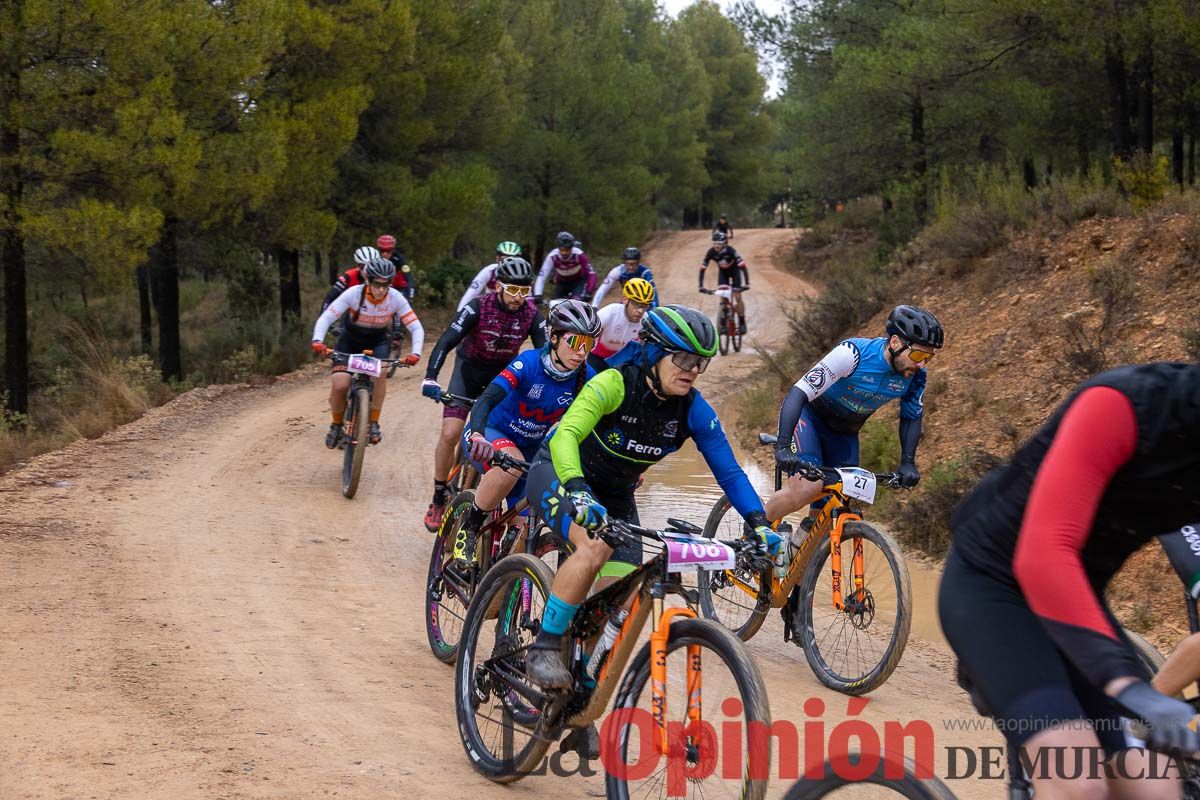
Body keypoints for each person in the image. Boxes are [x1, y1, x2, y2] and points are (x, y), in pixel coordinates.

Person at [939, 362, 1200, 798]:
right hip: (995, 587)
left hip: (1076, 601)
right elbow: (1042, 555)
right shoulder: (1126, 403)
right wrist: (1128, 686)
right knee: (1079, 780)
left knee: (1156, 787)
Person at [523, 305, 782, 689]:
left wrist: (759, 523)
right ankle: (543, 646)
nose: (692, 370)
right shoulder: (612, 384)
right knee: (593, 549)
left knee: (619, 602)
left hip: (616, 496)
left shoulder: (693, 410)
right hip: (561, 475)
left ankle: (578, 694)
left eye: (699, 363)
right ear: (652, 352)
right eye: (682, 358)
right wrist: (577, 490)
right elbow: (565, 437)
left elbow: (729, 472)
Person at [452, 300, 602, 569]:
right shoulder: (529, 363)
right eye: (575, 341)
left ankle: (500, 575)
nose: (582, 352)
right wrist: (477, 435)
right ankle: (470, 529)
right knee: (510, 463)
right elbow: (486, 400)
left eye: (589, 344)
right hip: (491, 434)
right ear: (554, 337)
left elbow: (597, 428)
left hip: (532, 449)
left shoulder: (586, 377)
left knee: (526, 522)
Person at [765, 305, 942, 523]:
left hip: (845, 434)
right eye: (918, 354)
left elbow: (911, 417)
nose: (922, 363)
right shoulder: (853, 354)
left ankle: (798, 548)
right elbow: (799, 392)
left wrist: (908, 462)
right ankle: (755, 532)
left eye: (929, 357)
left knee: (836, 504)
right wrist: (783, 446)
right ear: (895, 343)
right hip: (809, 418)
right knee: (806, 488)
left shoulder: (915, 377)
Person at [421, 256, 546, 531]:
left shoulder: (531, 315)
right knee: (451, 432)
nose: (518, 297)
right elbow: (446, 340)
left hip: (500, 380)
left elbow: (545, 354)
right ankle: (439, 496)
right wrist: (430, 377)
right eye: (513, 290)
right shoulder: (478, 306)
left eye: (524, 291)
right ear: (499, 286)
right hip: (467, 373)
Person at [311, 257, 424, 447]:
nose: (381, 289)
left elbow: (416, 327)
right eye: (377, 284)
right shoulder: (353, 294)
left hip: (378, 341)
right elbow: (326, 317)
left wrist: (416, 353)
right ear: (368, 280)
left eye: (386, 284)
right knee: (340, 384)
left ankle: (373, 422)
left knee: (380, 374)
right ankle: (336, 424)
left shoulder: (396, 297)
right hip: (349, 341)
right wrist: (318, 341)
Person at [587, 277, 653, 372]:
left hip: (624, 363)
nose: (640, 311)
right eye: (636, 304)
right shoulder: (610, 312)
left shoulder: (646, 322)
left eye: (645, 306)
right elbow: (586, 331)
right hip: (598, 358)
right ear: (625, 300)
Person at [698, 231, 749, 334]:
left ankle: (742, 322)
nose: (716, 245)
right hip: (723, 273)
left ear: (724, 243)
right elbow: (703, 268)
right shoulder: (711, 252)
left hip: (735, 272)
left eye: (718, 243)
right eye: (714, 243)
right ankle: (722, 322)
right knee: (723, 297)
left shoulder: (731, 251)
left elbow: (743, 267)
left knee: (737, 296)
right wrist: (700, 285)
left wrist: (747, 283)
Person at [458, 240, 523, 310]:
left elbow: (528, 299)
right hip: (490, 310)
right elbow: (471, 294)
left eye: (513, 260)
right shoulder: (489, 271)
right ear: (497, 258)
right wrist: (460, 313)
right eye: (504, 259)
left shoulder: (524, 275)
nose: (508, 263)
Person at [534, 231, 596, 303]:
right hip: (562, 283)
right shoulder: (552, 256)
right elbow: (542, 276)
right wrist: (538, 294)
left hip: (578, 282)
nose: (564, 253)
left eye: (567, 250)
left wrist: (589, 291)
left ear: (571, 248)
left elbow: (591, 274)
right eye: (562, 249)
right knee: (555, 307)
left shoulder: (579, 254)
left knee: (576, 304)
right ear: (558, 248)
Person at [591, 247, 658, 308]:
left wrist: (655, 309)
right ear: (624, 262)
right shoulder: (617, 271)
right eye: (628, 264)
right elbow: (602, 289)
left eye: (634, 264)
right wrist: (594, 306)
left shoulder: (645, 273)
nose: (631, 267)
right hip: (627, 302)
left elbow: (653, 292)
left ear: (638, 263)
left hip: (643, 303)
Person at [375, 234, 415, 300]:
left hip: (398, 287)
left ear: (393, 249)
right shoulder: (374, 257)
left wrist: (410, 296)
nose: (385, 254)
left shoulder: (399, 258)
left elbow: (409, 278)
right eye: (382, 250)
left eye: (388, 250)